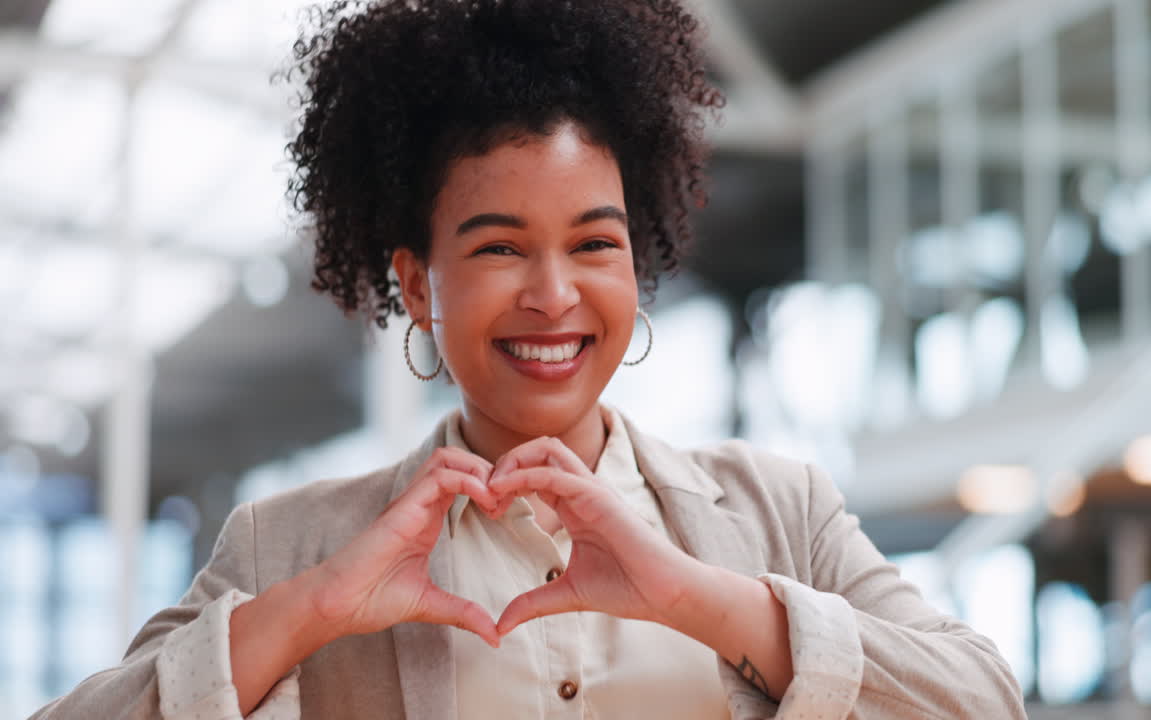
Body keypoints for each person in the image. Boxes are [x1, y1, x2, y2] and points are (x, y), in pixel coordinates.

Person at [32, 1, 1027, 718]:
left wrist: (699, 599)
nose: (553, 295)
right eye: (500, 247)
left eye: (594, 244)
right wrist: (312, 614)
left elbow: (983, 700)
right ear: (417, 283)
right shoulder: (286, 546)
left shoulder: (779, 515)